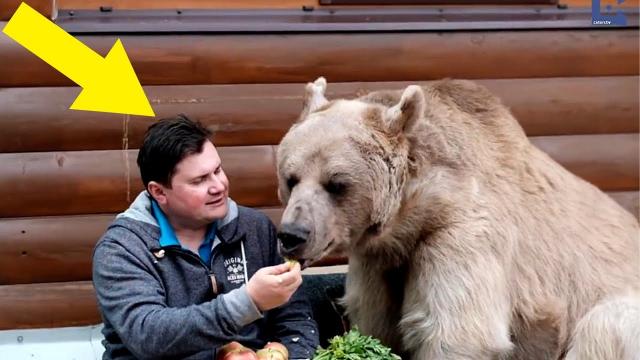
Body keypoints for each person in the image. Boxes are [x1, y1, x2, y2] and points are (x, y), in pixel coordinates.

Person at [92, 115, 319, 359]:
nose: (218, 186)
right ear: (159, 192)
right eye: (199, 180)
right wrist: (248, 301)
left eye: (218, 170)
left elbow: (295, 320)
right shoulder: (121, 249)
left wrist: (289, 355)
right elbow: (148, 335)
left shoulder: (254, 228)